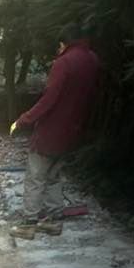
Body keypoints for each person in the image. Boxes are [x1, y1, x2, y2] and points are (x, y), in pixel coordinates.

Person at [10, 25, 101, 235]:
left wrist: (23, 120)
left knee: (35, 175)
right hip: (73, 130)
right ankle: (52, 219)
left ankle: (28, 223)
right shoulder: (92, 60)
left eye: (59, 45)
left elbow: (49, 99)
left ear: (64, 44)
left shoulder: (64, 63)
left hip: (51, 130)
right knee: (54, 174)